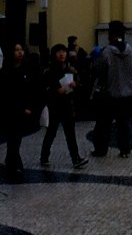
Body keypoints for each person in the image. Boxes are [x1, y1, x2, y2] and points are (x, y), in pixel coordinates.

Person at [91, 20, 132, 158]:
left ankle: (101, 150)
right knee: (124, 123)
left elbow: (98, 70)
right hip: (126, 93)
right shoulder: (129, 51)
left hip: (110, 93)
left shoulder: (106, 52)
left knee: (104, 124)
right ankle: (125, 149)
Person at [40, 44, 88, 169]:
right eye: (59, 52)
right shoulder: (49, 71)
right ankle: (44, 156)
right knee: (52, 132)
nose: (62, 54)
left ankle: (75, 158)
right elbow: (49, 89)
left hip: (67, 104)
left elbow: (77, 85)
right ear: (54, 54)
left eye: (63, 51)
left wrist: (74, 84)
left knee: (70, 133)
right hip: (54, 105)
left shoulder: (69, 69)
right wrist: (60, 89)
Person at [0, 43, 42, 181]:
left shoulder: (28, 69)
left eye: (21, 50)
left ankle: (12, 162)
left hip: (23, 110)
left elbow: (33, 89)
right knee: (13, 138)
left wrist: (30, 107)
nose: (20, 53)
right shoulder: (6, 71)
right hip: (10, 110)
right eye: (16, 50)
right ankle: (14, 164)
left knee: (15, 138)